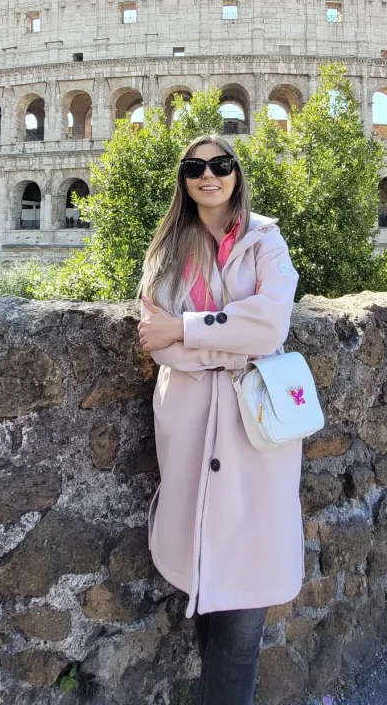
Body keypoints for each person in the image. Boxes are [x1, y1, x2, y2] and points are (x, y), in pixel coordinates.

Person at [137, 133, 303, 705]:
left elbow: (270, 325)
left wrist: (188, 329)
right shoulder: (166, 248)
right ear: (183, 180)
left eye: (221, 164)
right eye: (195, 167)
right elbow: (156, 342)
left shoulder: (266, 240)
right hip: (187, 431)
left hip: (254, 435)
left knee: (240, 624)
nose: (208, 175)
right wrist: (230, 343)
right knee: (205, 598)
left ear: (237, 174)